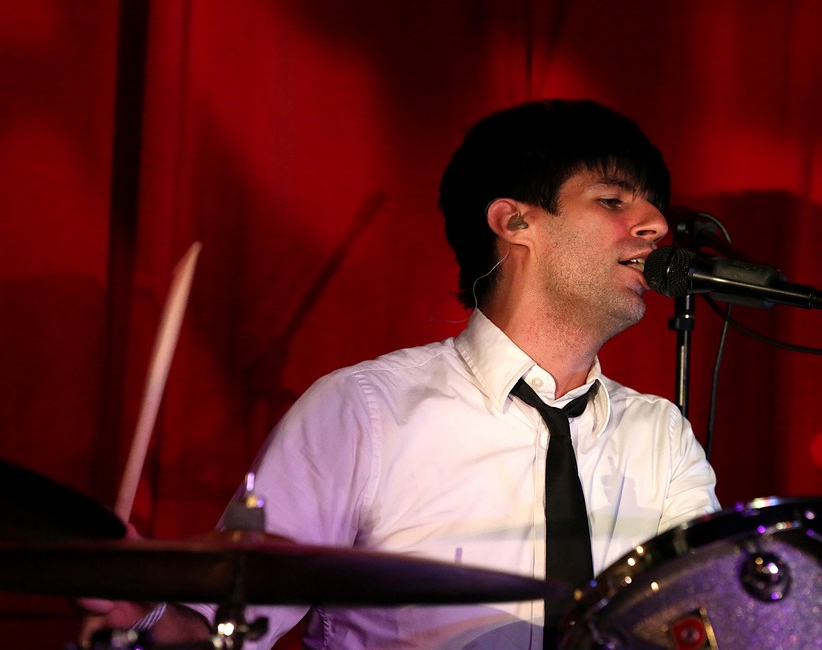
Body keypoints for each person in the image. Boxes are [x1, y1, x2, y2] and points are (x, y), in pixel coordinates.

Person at [91, 99, 719, 649]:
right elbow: (221, 628)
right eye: (612, 200)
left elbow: (713, 621)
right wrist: (143, 613)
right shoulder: (364, 411)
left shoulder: (660, 435)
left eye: (654, 208)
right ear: (515, 222)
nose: (657, 227)